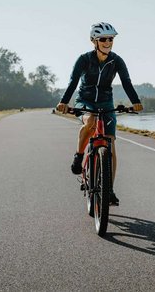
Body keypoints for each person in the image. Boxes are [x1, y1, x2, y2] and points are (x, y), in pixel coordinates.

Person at [56, 22, 143, 206]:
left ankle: (109, 189)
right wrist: (64, 102)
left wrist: (136, 102)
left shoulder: (116, 60)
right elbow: (72, 82)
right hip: (85, 101)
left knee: (110, 144)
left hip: (106, 102)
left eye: (110, 39)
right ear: (94, 41)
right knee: (91, 121)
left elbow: (126, 82)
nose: (107, 42)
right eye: (103, 39)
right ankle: (79, 155)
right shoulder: (84, 59)